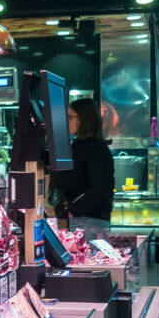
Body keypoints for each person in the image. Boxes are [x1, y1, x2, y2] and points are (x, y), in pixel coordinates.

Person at [51, 98, 114, 238]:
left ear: (84, 119)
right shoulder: (78, 145)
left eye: (70, 117)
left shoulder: (96, 148)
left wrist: (72, 211)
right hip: (79, 220)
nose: (66, 121)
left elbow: (100, 190)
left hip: (90, 223)